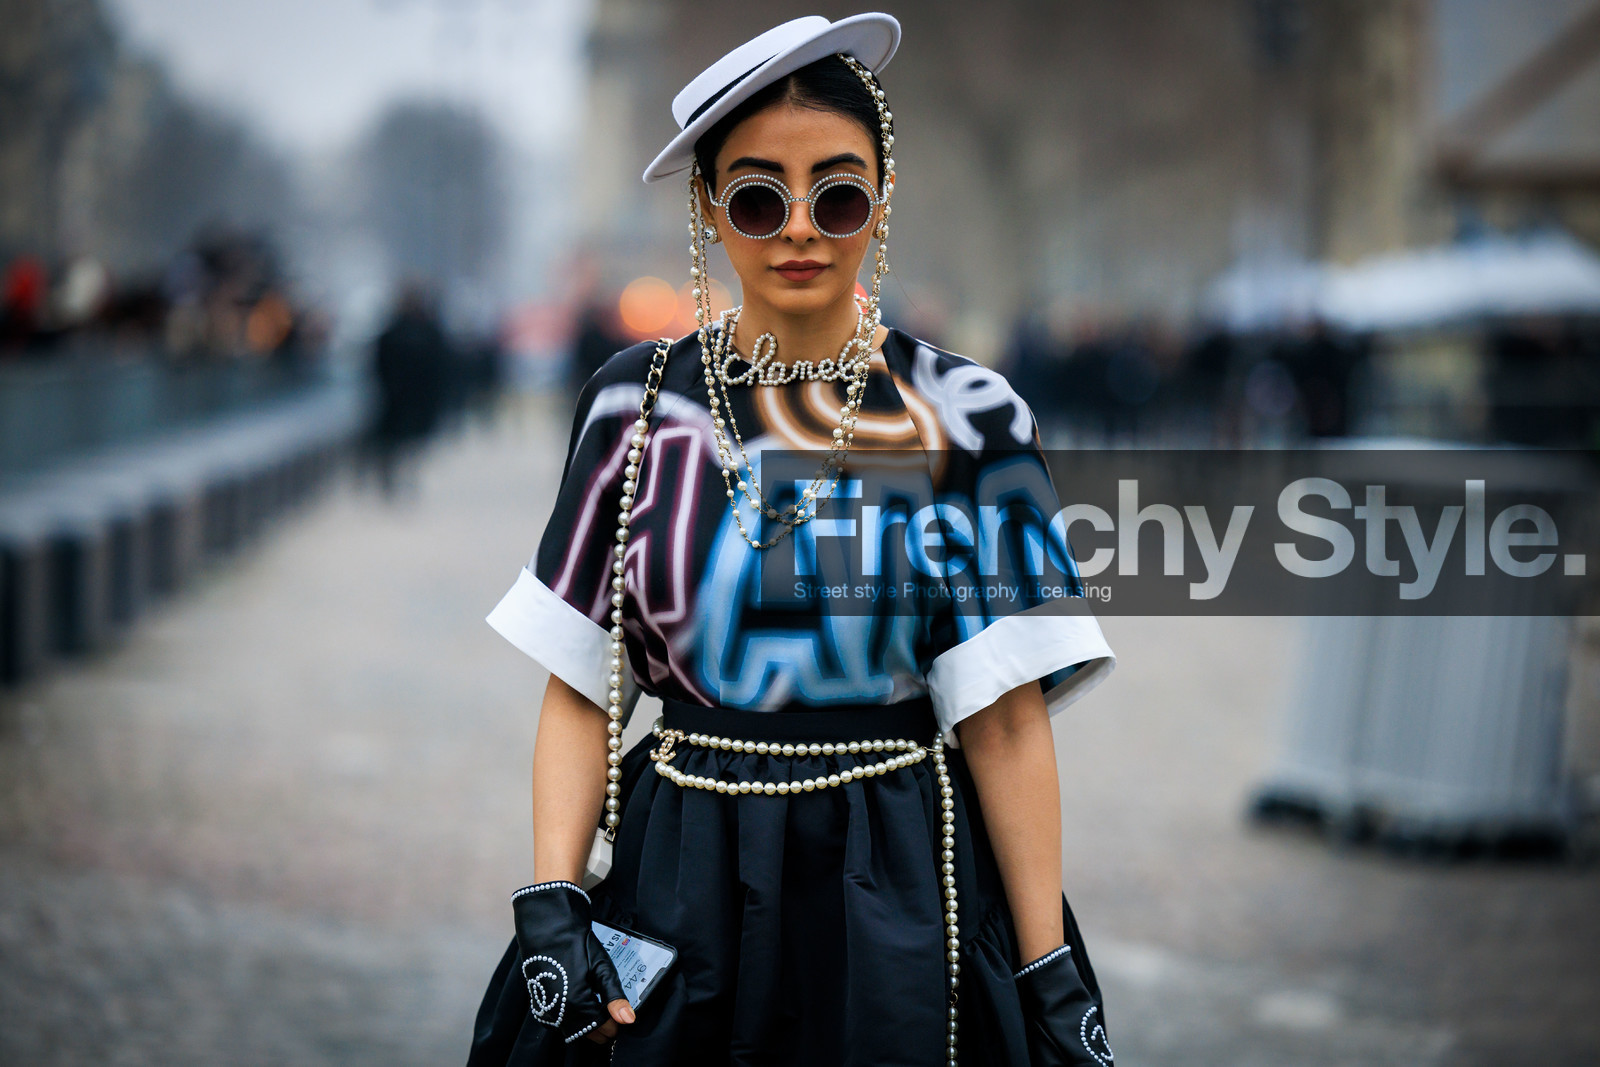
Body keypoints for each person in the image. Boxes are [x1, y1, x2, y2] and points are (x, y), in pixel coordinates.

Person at [467, 14, 1119, 1066]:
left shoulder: (966, 413)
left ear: (882, 196)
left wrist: (1047, 968)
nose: (801, 228)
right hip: (675, 868)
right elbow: (582, 683)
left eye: (840, 193)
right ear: (710, 207)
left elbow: (1001, 724)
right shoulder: (630, 407)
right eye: (760, 197)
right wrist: (550, 895)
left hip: (901, 879)